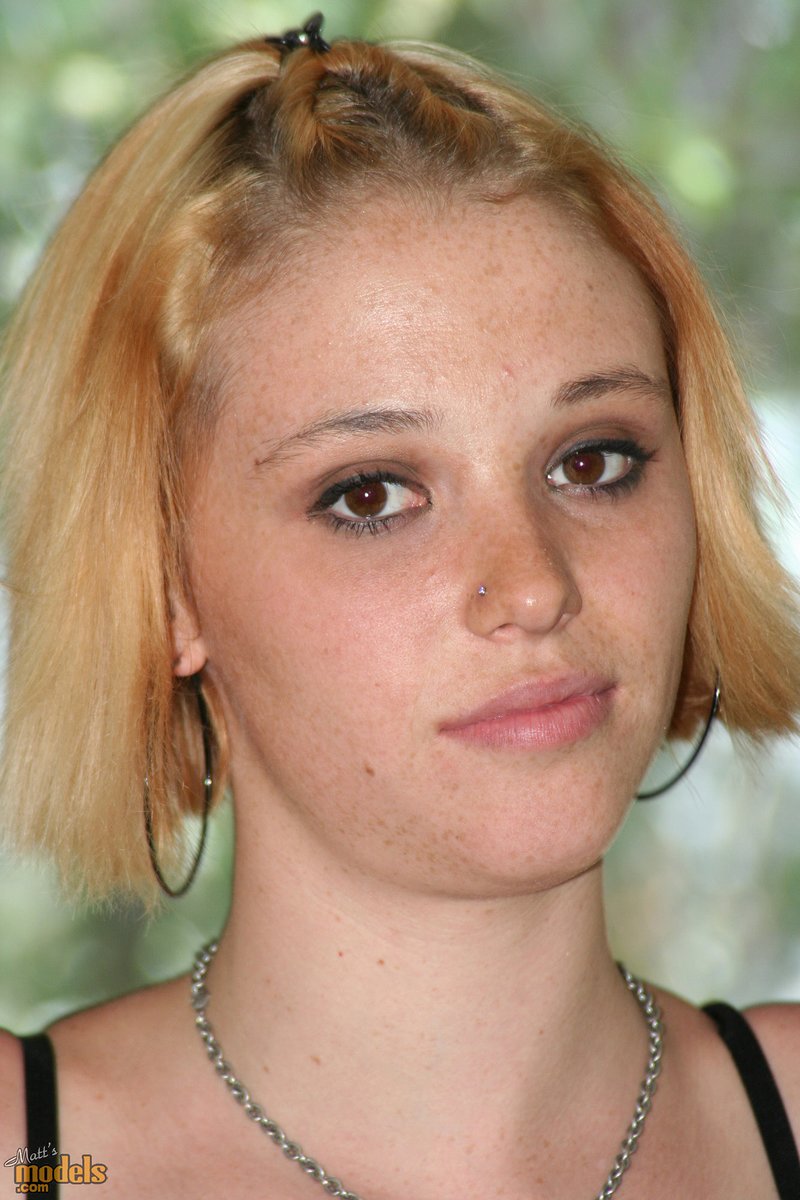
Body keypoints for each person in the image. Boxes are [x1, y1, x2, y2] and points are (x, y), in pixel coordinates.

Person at [1, 12, 799, 1199]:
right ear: (164, 586)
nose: (533, 585)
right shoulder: (39, 1164)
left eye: (591, 462)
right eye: (370, 494)